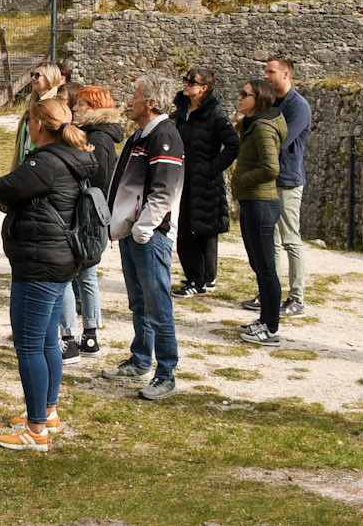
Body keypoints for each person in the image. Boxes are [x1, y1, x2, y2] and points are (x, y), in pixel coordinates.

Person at [0, 97, 97, 451]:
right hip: (59, 258)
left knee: (29, 344)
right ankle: (47, 412)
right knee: (49, 340)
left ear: (37, 124)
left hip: (39, 261)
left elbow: (1, 187)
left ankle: (36, 430)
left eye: (29, 121)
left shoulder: (45, 162)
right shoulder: (71, 158)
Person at [102, 75, 185, 401]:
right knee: (139, 303)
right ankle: (140, 360)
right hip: (133, 234)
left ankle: (166, 374)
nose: (129, 100)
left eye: (135, 95)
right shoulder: (141, 135)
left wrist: (143, 229)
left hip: (148, 237)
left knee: (158, 305)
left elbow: (165, 191)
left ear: (151, 102)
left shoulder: (165, 137)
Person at [65, 84, 125, 361]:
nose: (75, 109)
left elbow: (97, 181)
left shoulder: (98, 138)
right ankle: (88, 335)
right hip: (91, 212)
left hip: (87, 214)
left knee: (78, 276)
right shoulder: (96, 135)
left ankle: (79, 336)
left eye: (80, 105)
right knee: (86, 276)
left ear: (94, 108)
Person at [173, 69, 240, 296]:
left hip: (205, 181)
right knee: (183, 230)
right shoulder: (183, 110)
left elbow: (233, 145)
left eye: (192, 82)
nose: (186, 84)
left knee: (204, 231)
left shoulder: (215, 115)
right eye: (186, 80)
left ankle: (200, 281)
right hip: (184, 178)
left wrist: (212, 168)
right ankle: (197, 277)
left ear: (204, 88)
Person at [229, 78, 286, 348]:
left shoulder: (263, 127)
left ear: (259, 99)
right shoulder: (254, 125)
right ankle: (264, 320)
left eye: (245, 94)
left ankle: (271, 328)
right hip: (253, 202)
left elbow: (271, 169)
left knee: (266, 269)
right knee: (259, 267)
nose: (239, 98)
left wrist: (242, 180)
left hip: (262, 203)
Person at [253, 56, 311, 317]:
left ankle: (296, 297)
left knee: (290, 239)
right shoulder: (271, 103)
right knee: (270, 241)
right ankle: (269, 294)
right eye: (265, 72)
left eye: (271, 72)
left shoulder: (299, 107)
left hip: (286, 181)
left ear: (287, 74)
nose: (266, 76)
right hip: (268, 180)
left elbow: (280, 140)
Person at [12, 63, 67, 166]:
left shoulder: (55, 104)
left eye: (37, 75)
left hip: (42, 161)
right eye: (32, 74)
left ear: (50, 77)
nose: (33, 78)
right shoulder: (32, 102)